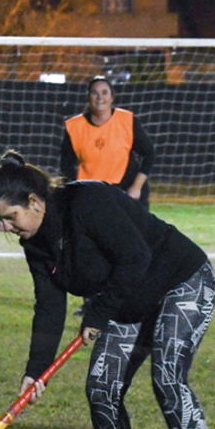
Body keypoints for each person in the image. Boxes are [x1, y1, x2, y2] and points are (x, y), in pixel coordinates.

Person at [0, 150, 215, 429]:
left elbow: (135, 259)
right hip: (127, 301)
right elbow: (50, 306)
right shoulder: (34, 242)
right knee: (101, 388)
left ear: (35, 202)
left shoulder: (87, 201)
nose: (5, 228)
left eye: (10, 217)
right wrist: (36, 370)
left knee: (167, 377)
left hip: (182, 282)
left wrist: (97, 315)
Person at [60, 75, 155, 315]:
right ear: (88, 97)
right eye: (95, 92)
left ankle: (137, 298)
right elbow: (65, 166)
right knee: (89, 250)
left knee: (134, 249)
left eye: (104, 92)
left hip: (125, 194)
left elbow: (149, 154)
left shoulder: (127, 121)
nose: (100, 97)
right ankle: (91, 302)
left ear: (112, 97)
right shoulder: (74, 126)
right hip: (92, 195)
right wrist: (73, 193)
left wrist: (137, 187)